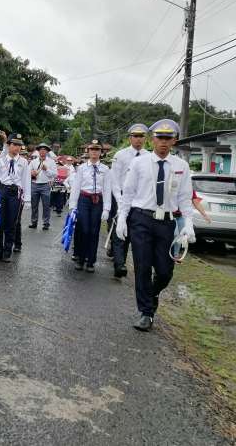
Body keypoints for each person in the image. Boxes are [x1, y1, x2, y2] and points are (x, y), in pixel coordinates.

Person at [116, 119, 194, 332]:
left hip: (166, 222)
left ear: (174, 141)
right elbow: (128, 192)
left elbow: (186, 198)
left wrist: (188, 223)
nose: (163, 142)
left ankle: (153, 293)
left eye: (168, 138)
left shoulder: (181, 166)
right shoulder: (139, 163)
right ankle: (146, 312)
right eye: (160, 137)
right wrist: (122, 218)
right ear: (153, 139)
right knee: (142, 266)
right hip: (141, 219)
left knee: (164, 271)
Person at [109, 124, 150, 277]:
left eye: (141, 136)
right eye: (135, 136)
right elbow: (114, 180)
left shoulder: (149, 157)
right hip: (121, 196)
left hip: (140, 201)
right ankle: (120, 265)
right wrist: (120, 201)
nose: (138, 139)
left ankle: (133, 264)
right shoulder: (120, 155)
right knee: (120, 230)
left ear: (145, 138)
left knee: (136, 232)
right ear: (130, 138)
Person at [68, 140, 112, 272]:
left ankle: (91, 261)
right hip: (83, 199)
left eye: (97, 150)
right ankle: (80, 259)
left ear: (101, 152)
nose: (94, 152)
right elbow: (76, 188)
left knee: (94, 231)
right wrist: (72, 206)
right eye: (92, 149)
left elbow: (107, 189)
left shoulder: (105, 169)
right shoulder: (81, 168)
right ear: (88, 151)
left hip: (97, 201)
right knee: (83, 229)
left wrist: (106, 208)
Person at [0, 133, 31, 261]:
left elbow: (26, 180)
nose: (17, 147)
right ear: (8, 145)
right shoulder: (1, 160)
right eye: (14, 144)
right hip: (3, 191)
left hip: (15, 193)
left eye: (19, 145)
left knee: (11, 223)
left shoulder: (23, 162)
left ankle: (7, 252)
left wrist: (27, 199)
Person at [28, 143, 57, 230]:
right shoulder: (33, 161)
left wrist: (46, 169)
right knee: (34, 205)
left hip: (45, 185)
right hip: (34, 184)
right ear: (38, 151)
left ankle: (46, 223)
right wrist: (31, 173)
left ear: (47, 151)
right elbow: (27, 173)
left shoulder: (51, 162)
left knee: (46, 205)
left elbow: (55, 174)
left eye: (44, 150)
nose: (42, 151)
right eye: (40, 150)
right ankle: (34, 222)